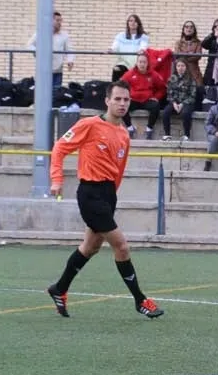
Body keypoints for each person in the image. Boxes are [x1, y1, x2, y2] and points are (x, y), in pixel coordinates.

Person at [46, 81, 164, 319]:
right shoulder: (89, 125)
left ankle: (59, 289)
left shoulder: (123, 134)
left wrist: (112, 197)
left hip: (108, 195)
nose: (122, 104)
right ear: (107, 101)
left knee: (90, 247)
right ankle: (140, 300)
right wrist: (56, 180)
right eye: (118, 99)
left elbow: (118, 170)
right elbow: (59, 148)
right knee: (121, 246)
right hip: (90, 193)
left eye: (126, 100)